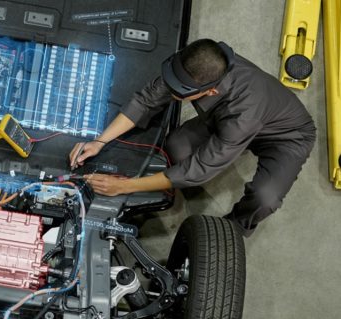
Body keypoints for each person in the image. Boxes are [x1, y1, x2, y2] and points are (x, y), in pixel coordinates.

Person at [69, 39, 316, 237]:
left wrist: (125, 186)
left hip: (286, 137)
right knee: (176, 147)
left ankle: (234, 228)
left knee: (265, 198)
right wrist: (99, 141)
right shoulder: (199, 63)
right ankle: (228, 149)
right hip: (227, 122)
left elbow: (196, 171)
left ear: (211, 91)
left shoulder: (242, 116)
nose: (170, 90)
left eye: (179, 92)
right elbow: (146, 99)